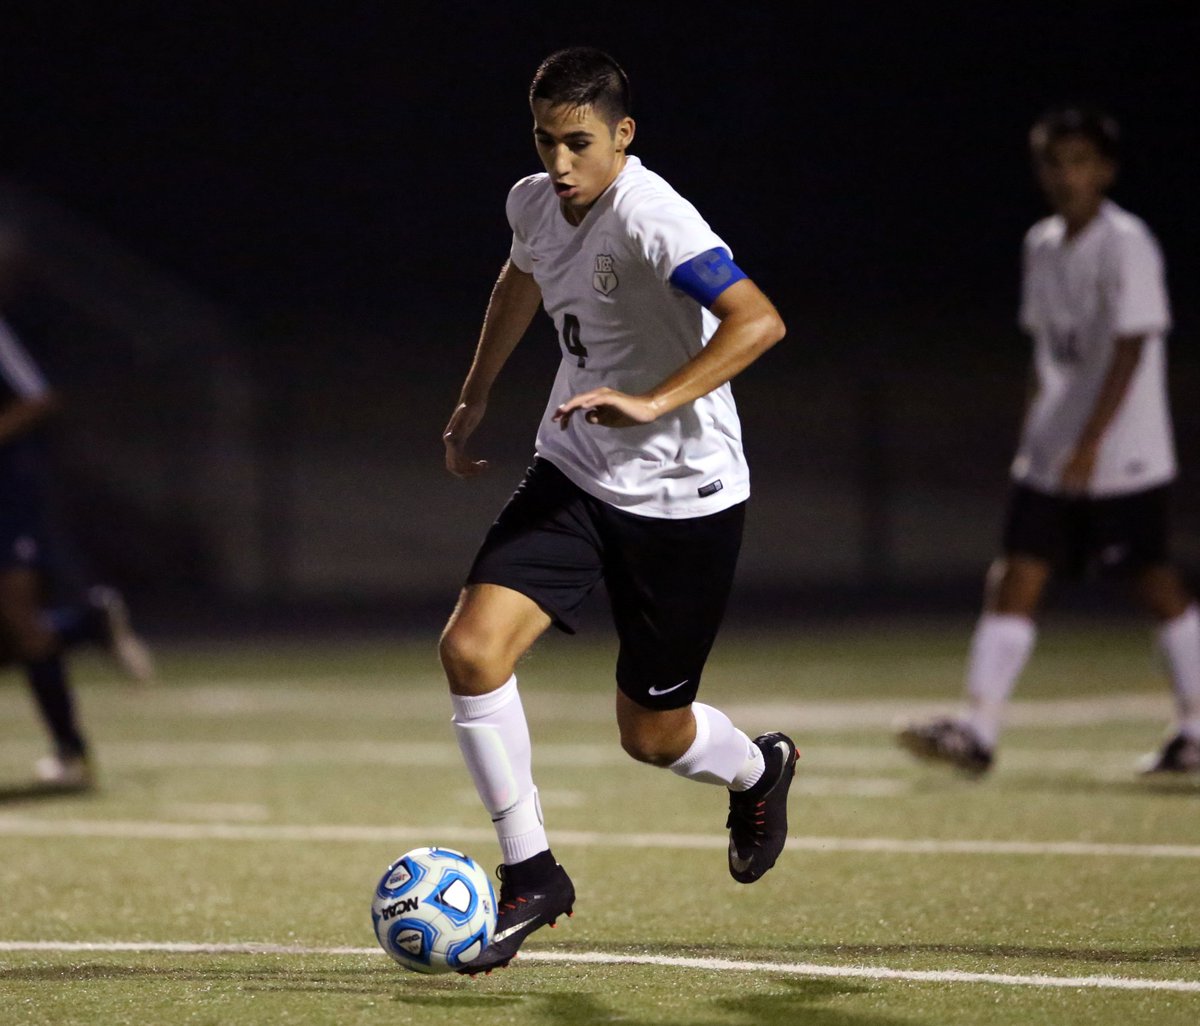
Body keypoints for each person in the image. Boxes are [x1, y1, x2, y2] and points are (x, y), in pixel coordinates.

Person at [438, 47, 794, 974]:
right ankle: (531, 873)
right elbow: (519, 280)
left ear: (623, 137)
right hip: (574, 469)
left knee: (652, 735)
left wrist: (653, 399)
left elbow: (759, 321)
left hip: (685, 500)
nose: (560, 162)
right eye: (546, 140)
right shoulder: (533, 201)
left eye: (580, 143)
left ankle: (758, 769)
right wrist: (476, 393)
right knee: (470, 650)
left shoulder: (651, 213)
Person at [898, 106, 1200, 777]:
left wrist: (1093, 439)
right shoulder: (1041, 243)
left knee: (1152, 580)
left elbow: (1130, 346)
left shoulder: (1127, 242)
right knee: (1016, 573)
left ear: (1107, 170)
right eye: (1056, 162)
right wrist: (1038, 434)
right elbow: (1048, 356)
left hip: (1125, 450)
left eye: (1082, 161)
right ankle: (977, 729)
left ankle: (1196, 727)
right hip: (1055, 448)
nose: (1068, 175)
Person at [1, 232, 155, 790]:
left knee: (20, 626)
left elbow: (38, 397)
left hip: (7, 496)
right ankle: (88, 623)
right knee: (16, 637)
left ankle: (71, 754)